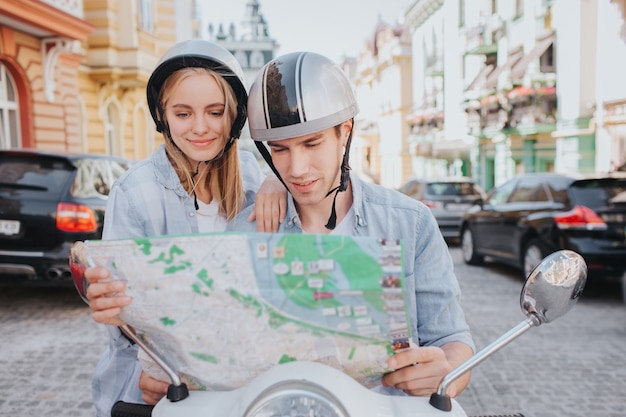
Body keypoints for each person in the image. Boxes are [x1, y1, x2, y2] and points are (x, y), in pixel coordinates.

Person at [227, 51, 475, 397]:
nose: (297, 168)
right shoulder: (244, 232)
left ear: (344, 133)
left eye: (311, 143)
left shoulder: (411, 223)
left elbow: (452, 339)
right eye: (280, 150)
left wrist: (446, 375)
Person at [84, 39, 285, 417]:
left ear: (236, 116)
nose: (200, 128)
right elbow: (122, 328)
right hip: (153, 390)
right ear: (162, 116)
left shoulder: (257, 186)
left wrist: (280, 181)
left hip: (237, 390)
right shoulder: (134, 193)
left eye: (215, 112)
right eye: (183, 114)